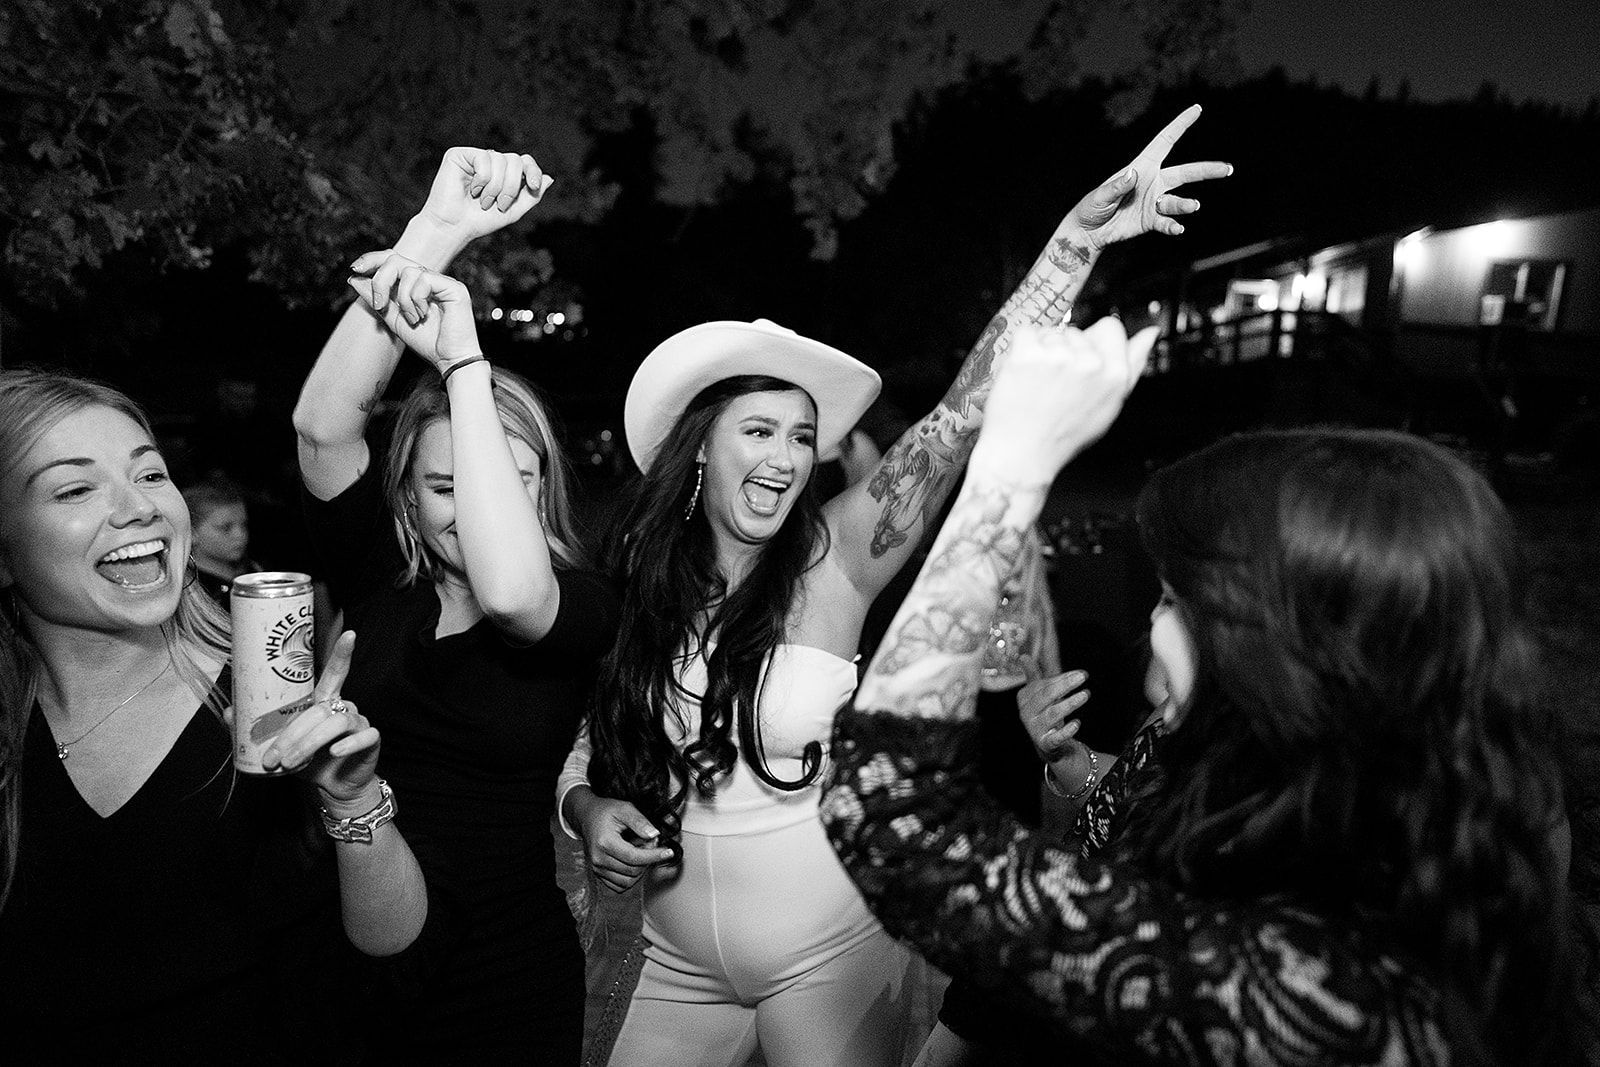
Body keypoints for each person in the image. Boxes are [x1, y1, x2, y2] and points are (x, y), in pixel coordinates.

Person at [558, 107, 1231, 1065]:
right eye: (759, 431)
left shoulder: (836, 551)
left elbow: (960, 417)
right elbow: (587, 742)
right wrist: (588, 812)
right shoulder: (635, 579)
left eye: (803, 437)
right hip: (675, 963)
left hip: (829, 959)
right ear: (699, 449)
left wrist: (1072, 249)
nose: (787, 458)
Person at [822, 321, 1597, 1065]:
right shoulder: (1418, 818)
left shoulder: (1318, 993)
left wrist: (1010, 467)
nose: (1149, 626)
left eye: (1171, 599)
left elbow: (887, 813)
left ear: (1277, 641)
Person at [293, 148, 620, 1062]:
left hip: (504, 975)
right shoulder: (381, 573)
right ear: (405, 496)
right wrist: (434, 232)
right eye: (447, 487)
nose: (475, 512)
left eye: (511, 482)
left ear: (546, 489)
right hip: (352, 945)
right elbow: (322, 426)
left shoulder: (581, 601)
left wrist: (468, 363)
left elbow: (513, 591)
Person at [0, 368, 430, 1060]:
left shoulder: (265, 704)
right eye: (75, 488)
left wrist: (353, 798)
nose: (139, 507)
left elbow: (393, 947)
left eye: (150, 474)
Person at [181, 476, 263, 603]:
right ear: (192, 533)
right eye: (225, 528)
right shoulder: (190, 589)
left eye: (244, 525)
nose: (240, 535)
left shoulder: (253, 570)